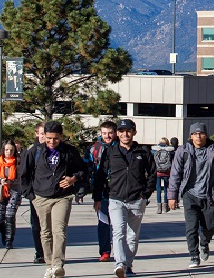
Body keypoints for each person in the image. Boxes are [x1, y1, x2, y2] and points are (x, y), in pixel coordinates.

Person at [21, 121, 86, 278]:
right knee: (46, 232)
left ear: (61, 137)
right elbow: (24, 174)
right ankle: (49, 264)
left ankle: (58, 264)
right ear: (43, 136)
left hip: (62, 197)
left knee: (59, 230)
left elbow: (83, 169)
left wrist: (73, 179)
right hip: (41, 197)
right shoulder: (34, 151)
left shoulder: (69, 151)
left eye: (55, 139)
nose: (51, 142)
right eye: (48, 138)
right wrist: (31, 196)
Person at [93, 118, 156, 278]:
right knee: (118, 232)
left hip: (137, 199)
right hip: (116, 198)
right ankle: (119, 264)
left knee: (132, 236)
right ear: (117, 134)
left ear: (134, 132)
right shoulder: (110, 152)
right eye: (121, 131)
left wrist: (145, 195)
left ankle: (127, 264)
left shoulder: (143, 152)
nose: (125, 134)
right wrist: (97, 196)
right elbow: (100, 174)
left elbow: (152, 174)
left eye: (128, 131)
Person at [167, 122, 214, 268]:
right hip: (190, 194)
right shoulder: (183, 151)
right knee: (191, 227)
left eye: (201, 133)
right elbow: (175, 174)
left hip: (209, 194)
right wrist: (172, 195)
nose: (198, 136)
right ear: (191, 136)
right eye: (195, 134)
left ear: (206, 135)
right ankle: (193, 255)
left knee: (209, 226)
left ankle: (204, 243)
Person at [82, 120, 118, 262]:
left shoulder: (121, 147)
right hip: (102, 193)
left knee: (119, 225)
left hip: (119, 192)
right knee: (103, 224)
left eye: (110, 133)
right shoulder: (93, 149)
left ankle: (120, 251)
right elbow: (86, 171)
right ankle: (105, 251)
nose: (107, 136)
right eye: (104, 133)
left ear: (115, 133)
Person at [20, 121, 46, 264]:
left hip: (50, 194)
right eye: (41, 134)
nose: (44, 137)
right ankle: (39, 253)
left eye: (45, 134)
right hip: (35, 194)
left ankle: (51, 252)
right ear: (36, 134)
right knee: (36, 225)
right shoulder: (31, 151)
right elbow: (24, 173)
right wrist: (28, 193)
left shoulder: (54, 149)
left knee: (50, 226)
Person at [0, 139, 22, 249]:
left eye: (11, 150)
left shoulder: (18, 162)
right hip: (0, 192)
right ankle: (4, 233)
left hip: (14, 191)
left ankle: (9, 240)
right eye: (6, 150)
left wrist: (12, 181)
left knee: (10, 215)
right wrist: (0, 181)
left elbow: (22, 178)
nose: (8, 152)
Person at [151, 137, 174, 214]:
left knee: (158, 189)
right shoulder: (170, 150)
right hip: (167, 172)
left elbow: (151, 155)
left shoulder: (155, 150)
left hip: (158, 172)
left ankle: (159, 208)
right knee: (166, 189)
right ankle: (165, 207)